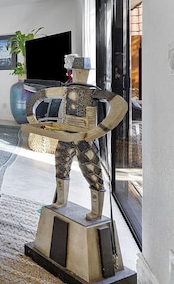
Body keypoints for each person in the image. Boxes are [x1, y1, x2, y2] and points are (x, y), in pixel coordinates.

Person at [21, 55, 128, 221]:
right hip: (66, 134)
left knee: (92, 172)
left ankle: (96, 212)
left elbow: (120, 105)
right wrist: (33, 120)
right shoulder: (65, 90)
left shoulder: (93, 92)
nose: (79, 74)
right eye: (77, 71)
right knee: (61, 167)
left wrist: (98, 131)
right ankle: (61, 201)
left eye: (81, 71)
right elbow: (37, 97)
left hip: (85, 138)